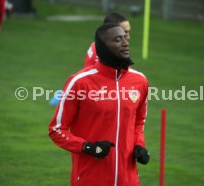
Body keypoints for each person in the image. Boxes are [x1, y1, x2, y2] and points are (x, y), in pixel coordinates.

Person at [49, 23, 150, 186]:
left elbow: (138, 122)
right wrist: (86, 147)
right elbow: (56, 129)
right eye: (118, 40)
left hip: (129, 180)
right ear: (103, 47)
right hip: (90, 179)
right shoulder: (79, 82)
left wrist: (139, 145)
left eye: (125, 38)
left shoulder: (140, 81)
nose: (125, 43)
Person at [49, 12, 131, 106]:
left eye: (128, 32)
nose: (128, 37)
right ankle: (63, 95)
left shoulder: (100, 46)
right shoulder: (104, 54)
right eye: (124, 32)